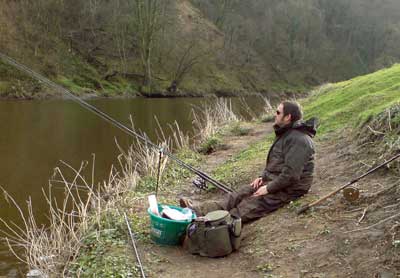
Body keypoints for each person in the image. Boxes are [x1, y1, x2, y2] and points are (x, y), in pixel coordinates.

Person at [180, 101, 317, 223]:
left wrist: (268, 188)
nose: (275, 114)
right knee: (236, 195)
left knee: (247, 206)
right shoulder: (286, 133)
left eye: (278, 112)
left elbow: (291, 175)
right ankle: (195, 212)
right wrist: (263, 177)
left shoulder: (300, 140)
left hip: (290, 188)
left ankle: (206, 224)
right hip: (276, 180)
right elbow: (277, 162)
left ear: (287, 117)